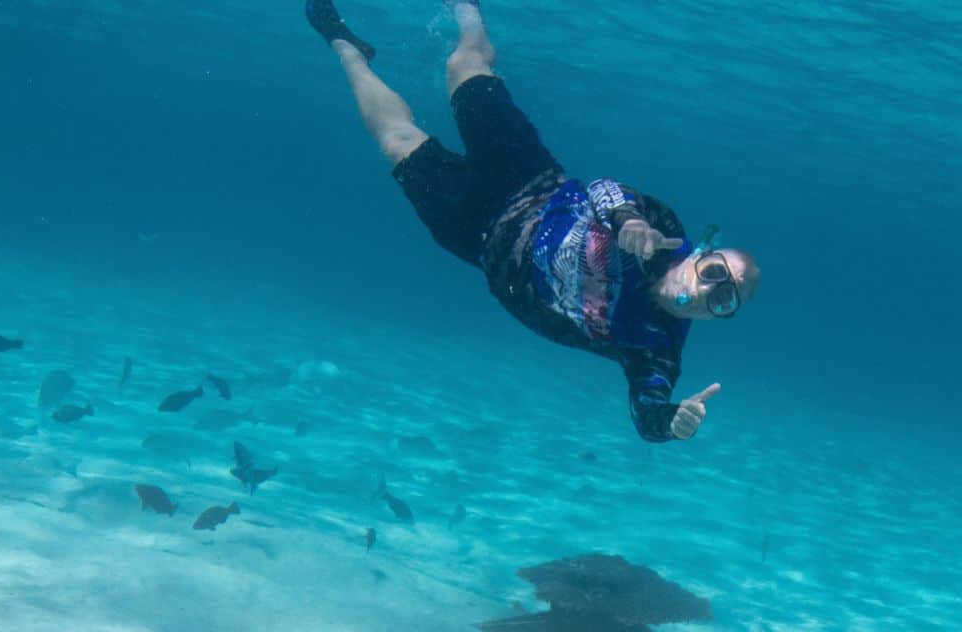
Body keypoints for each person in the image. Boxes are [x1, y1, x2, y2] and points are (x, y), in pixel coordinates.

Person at [306, 0, 761, 443]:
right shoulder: (665, 234)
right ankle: (467, 11)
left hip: (481, 240)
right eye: (716, 274)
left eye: (724, 300)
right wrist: (627, 222)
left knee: (395, 139)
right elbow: (607, 188)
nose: (709, 292)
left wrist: (669, 423)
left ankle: (344, 46)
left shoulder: (655, 347)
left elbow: (647, 409)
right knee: (463, 67)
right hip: (527, 179)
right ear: (702, 255)